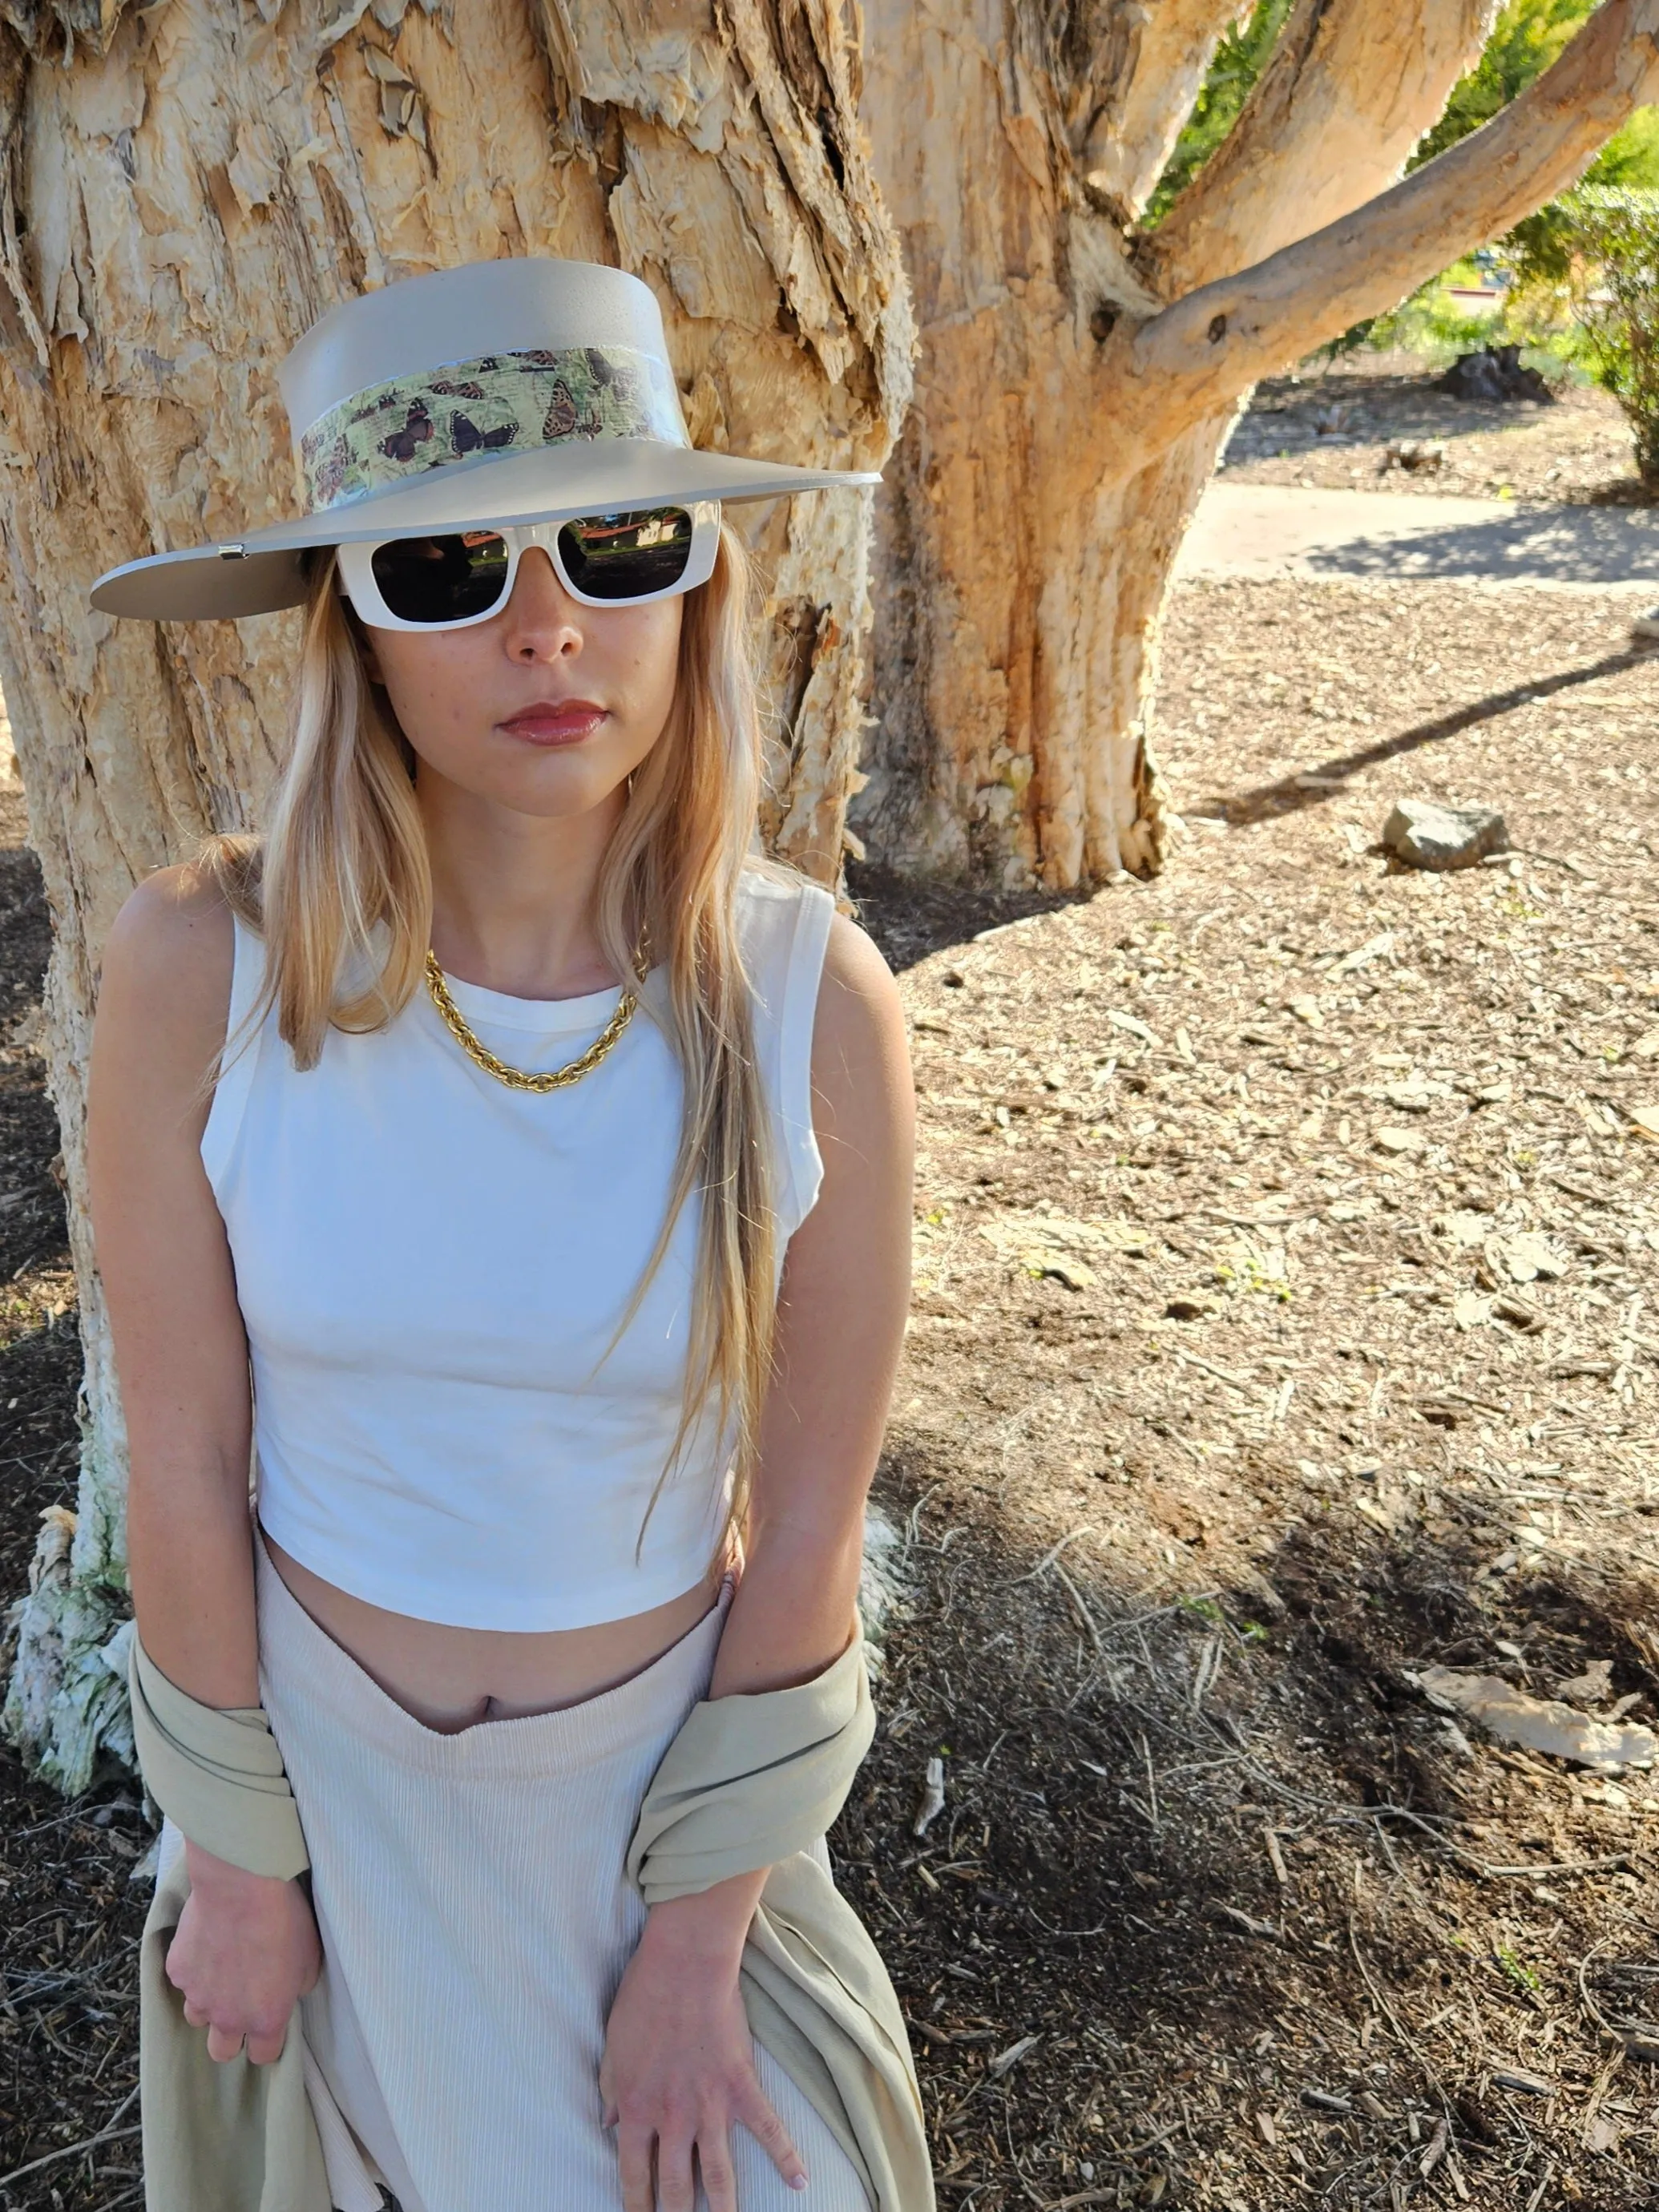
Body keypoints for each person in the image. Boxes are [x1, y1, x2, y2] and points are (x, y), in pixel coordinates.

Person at [87, 258, 926, 2212]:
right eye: (448, 568)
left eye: (618, 546)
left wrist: (700, 1951)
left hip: (661, 1838)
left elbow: (803, 1536)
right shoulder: (205, 971)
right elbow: (189, 1460)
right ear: (351, 631)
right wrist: (237, 1860)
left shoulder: (808, 1001)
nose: (549, 626)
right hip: (323, 1821)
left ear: (696, 584)